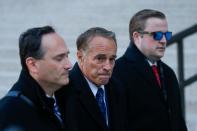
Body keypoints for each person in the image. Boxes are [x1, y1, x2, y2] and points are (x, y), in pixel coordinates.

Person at [113, 9, 187, 131]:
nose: (163, 40)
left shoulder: (168, 72)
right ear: (137, 36)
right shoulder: (117, 72)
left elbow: (178, 119)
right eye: (156, 35)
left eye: (166, 34)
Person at [0, 26, 72, 131]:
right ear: (33, 65)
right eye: (59, 58)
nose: (69, 65)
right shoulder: (11, 111)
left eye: (67, 56)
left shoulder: (63, 96)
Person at [56, 27, 128, 131]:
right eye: (100, 58)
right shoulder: (62, 90)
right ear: (80, 57)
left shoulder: (118, 88)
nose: (108, 67)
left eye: (112, 59)